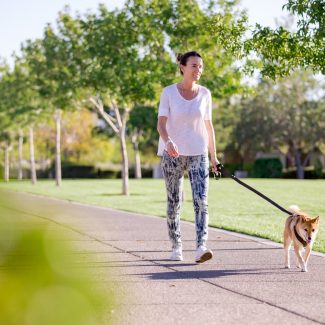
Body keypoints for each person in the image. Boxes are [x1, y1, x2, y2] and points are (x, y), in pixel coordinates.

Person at [157, 51, 220, 263]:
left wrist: (214, 156)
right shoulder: (168, 92)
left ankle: (201, 246)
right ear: (182, 67)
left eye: (201, 67)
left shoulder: (205, 94)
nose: (198, 70)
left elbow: (208, 126)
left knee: (201, 201)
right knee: (174, 201)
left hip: (198, 153)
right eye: (194, 66)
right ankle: (176, 247)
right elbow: (161, 123)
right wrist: (168, 141)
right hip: (172, 153)